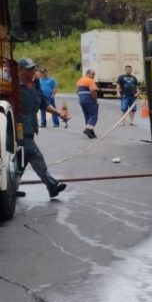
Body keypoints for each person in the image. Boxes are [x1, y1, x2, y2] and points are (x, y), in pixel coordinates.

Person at [16, 59, 67, 199]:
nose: (33, 71)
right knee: (34, 155)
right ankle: (52, 186)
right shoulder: (14, 86)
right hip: (18, 129)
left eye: (33, 68)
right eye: (29, 69)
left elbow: (43, 103)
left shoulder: (35, 84)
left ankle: (12, 188)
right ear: (21, 70)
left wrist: (59, 114)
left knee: (22, 159)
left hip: (30, 127)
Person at [76, 67, 99, 139]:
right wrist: (95, 99)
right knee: (93, 115)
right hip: (89, 99)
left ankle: (91, 132)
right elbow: (93, 91)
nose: (93, 76)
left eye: (94, 75)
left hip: (82, 100)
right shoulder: (90, 80)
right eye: (92, 74)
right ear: (87, 74)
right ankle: (87, 129)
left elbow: (77, 91)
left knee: (87, 116)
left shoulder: (79, 80)